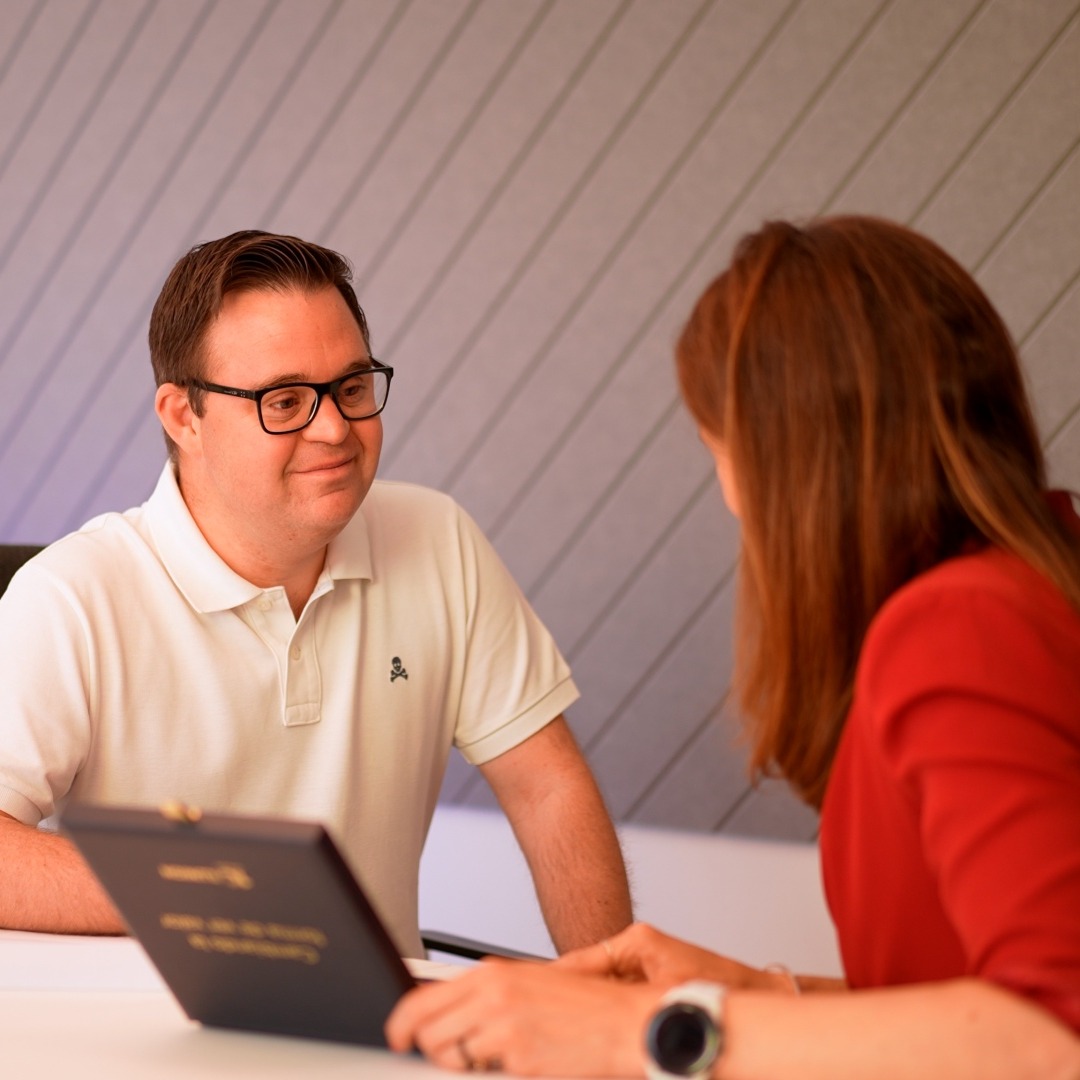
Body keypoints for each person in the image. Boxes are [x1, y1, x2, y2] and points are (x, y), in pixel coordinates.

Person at [385, 215, 1080, 1078]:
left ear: (788, 461)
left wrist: (637, 1039)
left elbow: (1054, 1033)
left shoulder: (958, 630)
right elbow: (957, 991)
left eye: (717, 447)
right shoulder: (1032, 587)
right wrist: (754, 995)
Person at [0, 230, 632, 959]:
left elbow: (547, 790)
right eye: (285, 400)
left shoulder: (437, 538)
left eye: (353, 387)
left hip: (378, 1043)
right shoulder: (72, 597)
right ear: (183, 416)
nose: (334, 428)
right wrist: (208, 894)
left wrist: (616, 1016)